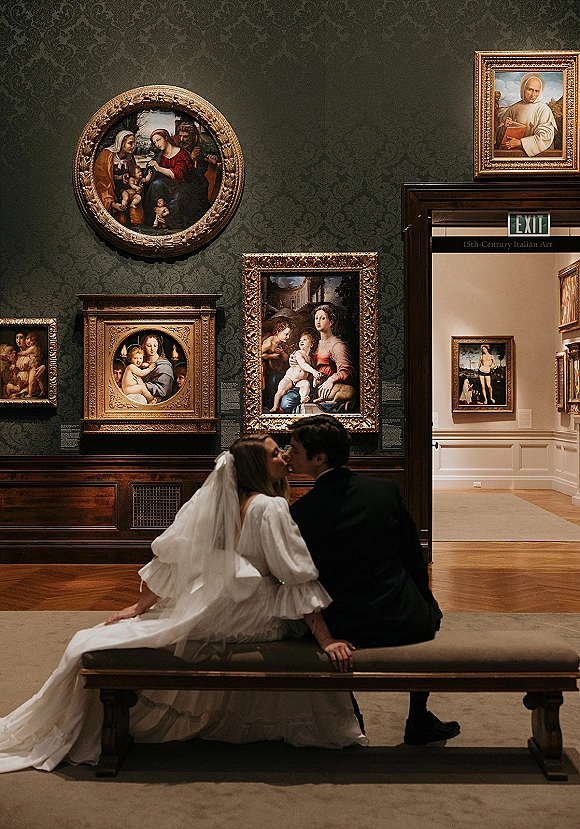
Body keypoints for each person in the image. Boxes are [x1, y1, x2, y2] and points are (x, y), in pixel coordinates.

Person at [0, 434, 365, 773]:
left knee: (102, 635)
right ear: (257, 466)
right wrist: (325, 639)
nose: (284, 456)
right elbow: (297, 575)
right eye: (274, 453)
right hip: (251, 613)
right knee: (298, 624)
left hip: (217, 606)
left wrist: (142, 607)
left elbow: (172, 553)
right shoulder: (269, 507)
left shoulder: (221, 501)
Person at [287, 414, 460, 745]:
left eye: (294, 448)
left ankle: (352, 715)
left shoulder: (302, 511)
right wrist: (426, 602)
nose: (288, 454)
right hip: (401, 617)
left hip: (343, 625)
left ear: (319, 458)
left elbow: (303, 580)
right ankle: (419, 718)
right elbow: (412, 555)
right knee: (426, 625)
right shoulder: (383, 491)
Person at [281, 305, 356, 413]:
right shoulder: (315, 342)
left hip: (326, 386)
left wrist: (331, 380)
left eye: (322, 318)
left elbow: (347, 371)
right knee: (287, 403)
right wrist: (293, 359)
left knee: (289, 403)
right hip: (306, 383)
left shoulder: (337, 345)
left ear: (331, 322)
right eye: (316, 318)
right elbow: (304, 355)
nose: (318, 321)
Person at [142, 129, 210, 230]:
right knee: (156, 184)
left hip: (187, 186)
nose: (157, 144)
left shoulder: (181, 154)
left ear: (166, 137)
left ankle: (168, 221)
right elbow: (151, 174)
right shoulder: (159, 156)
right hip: (170, 185)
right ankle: (154, 218)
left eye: (158, 140)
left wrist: (159, 168)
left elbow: (178, 175)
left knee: (179, 194)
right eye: (154, 142)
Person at [495, 73, 557, 157]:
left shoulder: (544, 110)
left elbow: (545, 137)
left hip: (537, 157)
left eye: (537, 91)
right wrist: (504, 128)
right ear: (523, 89)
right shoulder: (513, 108)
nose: (533, 94)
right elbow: (498, 139)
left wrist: (520, 143)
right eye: (530, 89)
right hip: (513, 155)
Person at [93, 130, 144, 226]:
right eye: (130, 143)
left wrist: (134, 182)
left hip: (125, 192)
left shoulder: (129, 158)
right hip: (111, 193)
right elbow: (101, 183)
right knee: (121, 221)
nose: (133, 146)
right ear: (121, 142)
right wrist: (112, 204)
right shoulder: (106, 155)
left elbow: (135, 175)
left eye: (134, 143)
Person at [270, 332, 323, 412]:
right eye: (300, 340)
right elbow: (303, 364)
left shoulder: (310, 359)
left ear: (311, 344)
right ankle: (275, 406)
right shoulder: (298, 353)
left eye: (304, 340)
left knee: (306, 384)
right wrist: (314, 371)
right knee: (281, 390)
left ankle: (303, 398)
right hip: (290, 378)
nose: (301, 341)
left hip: (300, 381)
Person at [139, 333, 175, 402]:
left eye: (155, 345)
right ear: (144, 346)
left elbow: (165, 390)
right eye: (148, 345)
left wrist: (146, 385)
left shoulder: (165, 366)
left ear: (158, 347)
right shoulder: (140, 363)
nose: (152, 349)